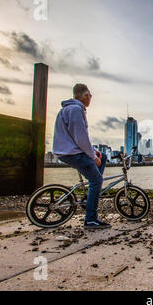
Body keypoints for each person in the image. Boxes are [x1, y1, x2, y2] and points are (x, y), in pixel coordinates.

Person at [52, 83, 111, 230]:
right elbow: (80, 137)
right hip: (72, 153)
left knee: (102, 157)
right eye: (90, 95)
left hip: (69, 150)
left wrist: (94, 152)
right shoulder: (76, 110)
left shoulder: (68, 109)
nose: (91, 98)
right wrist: (92, 156)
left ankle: (90, 197)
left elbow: (78, 136)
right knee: (96, 180)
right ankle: (91, 219)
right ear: (85, 96)